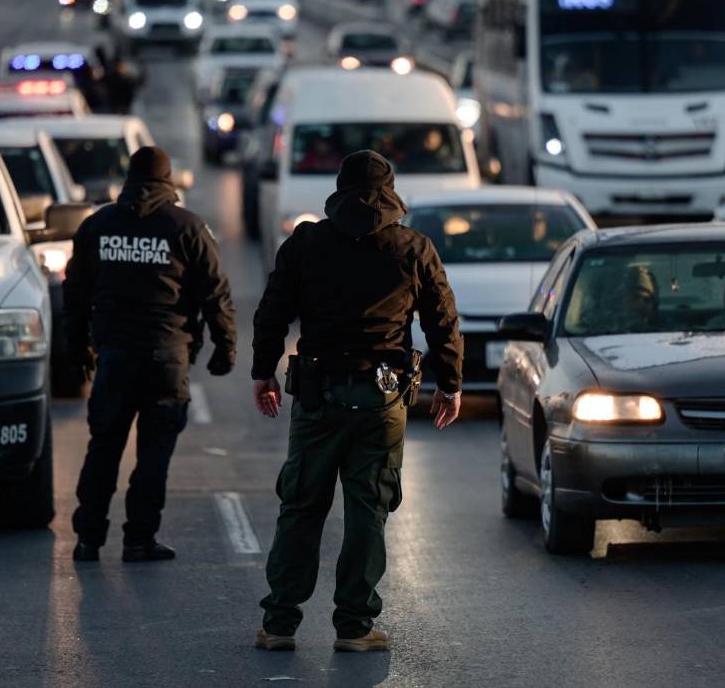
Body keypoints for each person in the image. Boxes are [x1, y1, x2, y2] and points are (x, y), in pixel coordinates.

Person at [250, 150, 462, 653]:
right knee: (368, 508)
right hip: (381, 399)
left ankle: (279, 622)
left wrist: (263, 374)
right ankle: (355, 627)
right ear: (390, 192)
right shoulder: (413, 247)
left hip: (318, 397)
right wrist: (450, 383)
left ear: (339, 188)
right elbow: (442, 320)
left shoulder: (306, 242)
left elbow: (272, 311)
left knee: (301, 505)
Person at [65, 146, 236, 563]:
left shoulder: (98, 226)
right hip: (167, 357)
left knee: (103, 445)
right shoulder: (187, 227)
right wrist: (224, 346)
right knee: (154, 452)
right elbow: (215, 294)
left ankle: (88, 539)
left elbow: (74, 293)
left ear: (129, 178)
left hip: (114, 356)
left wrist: (77, 349)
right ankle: (139, 540)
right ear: (168, 180)